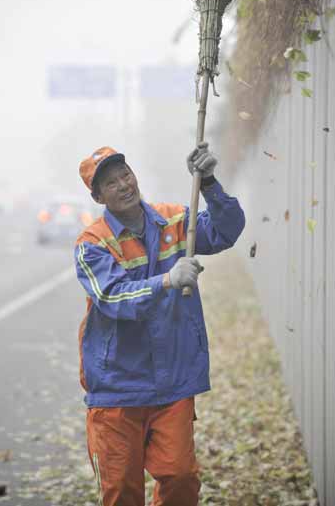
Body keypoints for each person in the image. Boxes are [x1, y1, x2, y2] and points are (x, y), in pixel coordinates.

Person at [75, 143, 245, 506]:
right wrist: (167, 280)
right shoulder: (92, 243)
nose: (123, 184)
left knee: (181, 478)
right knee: (122, 491)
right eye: (111, 182)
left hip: (172, 380)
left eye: (125, 174)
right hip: (118, 387)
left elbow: (225, 231)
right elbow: (111, 297)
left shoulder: (173, 220)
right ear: (98, 196)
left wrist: (210, 182)